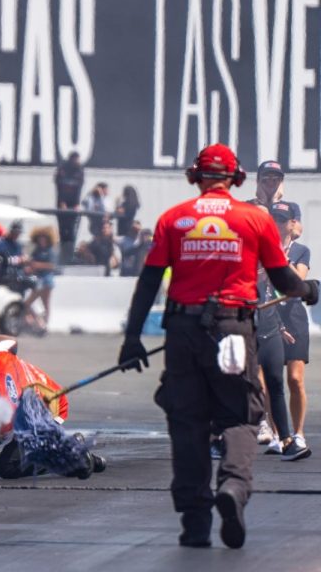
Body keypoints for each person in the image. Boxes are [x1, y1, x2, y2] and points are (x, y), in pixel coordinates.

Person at [118, 144, 319, 549]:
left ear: (196, 176)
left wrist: (132, 338)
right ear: (236, 178)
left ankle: (195, 524)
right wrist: (308, 291)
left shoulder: (173, 220)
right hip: (233, 328)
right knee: (241, 416)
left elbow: (148, 283)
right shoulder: (253, 220)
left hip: (183, 332)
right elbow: (283, 280)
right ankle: (233, 488)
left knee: (188, 423)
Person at [0, 336, 107, 479]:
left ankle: (70, 453)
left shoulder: (7, 414)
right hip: (41, 390)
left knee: (7, 467)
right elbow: (11, 341)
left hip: (52, 407)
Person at [255, 202, 297, 457]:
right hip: (242, 326)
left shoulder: (271, 248)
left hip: (269, 327)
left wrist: (280, 325)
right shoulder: (238, 247)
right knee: (235, 386)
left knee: (275, 384)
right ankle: (220, 438)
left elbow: (275, 290)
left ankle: (287, 440)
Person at [271, 200, 312, 461]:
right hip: (269, 314)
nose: (278, 224)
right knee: (271, 379)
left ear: (291, 224)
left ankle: (298, 432)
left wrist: (279, 260)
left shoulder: (300, 250)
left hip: (294, 315)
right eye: (274, 219)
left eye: (283, 220)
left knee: (295, 379)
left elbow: (297, 281)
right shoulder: (264, 249)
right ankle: (278, 433)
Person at [20, 226, 57, 332]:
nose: (41, 239)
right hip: (38, 280)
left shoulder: (50, 251)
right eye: (40, 237)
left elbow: (51, 265)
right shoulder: (37, 250)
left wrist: (36, 265)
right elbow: (33, 263)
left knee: (45, 303)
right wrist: (30, 267)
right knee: (28, 303)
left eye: (44, 237)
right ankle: (40, 322)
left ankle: (44, 324)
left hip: (47, 281)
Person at [54, 151, 84, 262]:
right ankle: (63, 255)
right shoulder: (62, 170)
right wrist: (62, 202)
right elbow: (59, 187)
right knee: (63, 230)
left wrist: (77, 203)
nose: (77, 162)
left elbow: (79, 189)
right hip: (62, 204)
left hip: (73, 204)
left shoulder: (80, 171)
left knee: (71, 231)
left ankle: (69, 256)